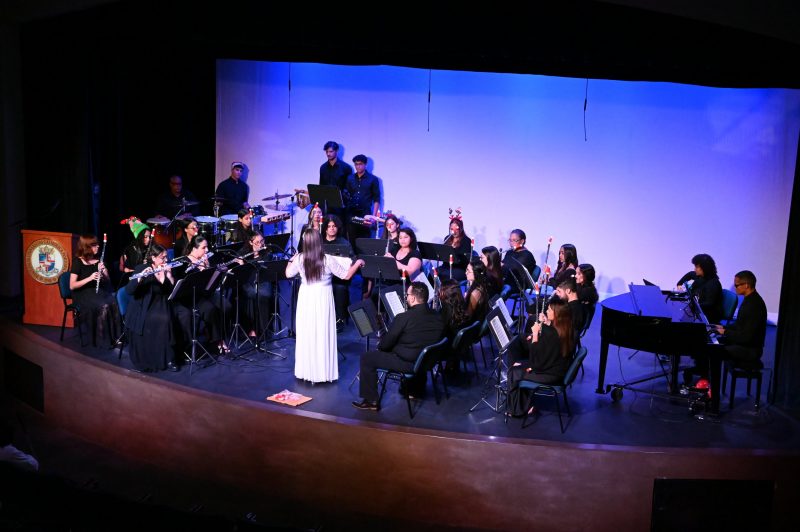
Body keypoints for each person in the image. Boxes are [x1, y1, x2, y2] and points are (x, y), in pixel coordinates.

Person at [286, 230, 364, 383]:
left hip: (306, 297)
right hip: (322, 297)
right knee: (322, 332)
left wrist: (291, 260)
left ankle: (306, 371)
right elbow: (346, 275)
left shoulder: (300, 258)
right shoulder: (327, 259)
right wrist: (358, 263)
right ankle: (322, 372)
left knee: (307, 332)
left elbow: (288, 274)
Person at [353, 281, 445, 410]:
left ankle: (370, 401)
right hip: (428, 361)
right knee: (414, 347)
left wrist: (386, 339)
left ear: (413, 298)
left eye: (407, 295)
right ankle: (415, 390)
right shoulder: (438, 316)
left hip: (410, 363)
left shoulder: (403, 317)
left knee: (367, 358)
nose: (406, 298)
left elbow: (384, 346)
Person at [507, 298, 575, 417]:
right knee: (519, 367)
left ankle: (518, 410)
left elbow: (536, 362)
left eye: (549, 310)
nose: (546, 311)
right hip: (557, 370)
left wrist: (535, 335)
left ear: (557, 314)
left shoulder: (551, 335)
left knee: (513, 371)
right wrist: (547, 322)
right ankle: (525, 403)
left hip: (550, 375)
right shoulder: (566, 329)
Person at [125, 244, 179, 372]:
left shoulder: (165, 268)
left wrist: (168, 276)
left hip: (161, 301)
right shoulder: (141, 268)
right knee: (162, 319)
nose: (165, 260)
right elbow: (129, 290)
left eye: (166, 257)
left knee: (171, 316)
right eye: (162, 257)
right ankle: (157, 358)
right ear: (153, 258)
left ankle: (169, 357)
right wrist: (140, 278)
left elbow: (170, 291)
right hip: (144, 304)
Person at [172, 235, 228, 355]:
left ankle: (214, 336)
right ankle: (217, 341)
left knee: (225, 305)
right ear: (194, 248)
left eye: (207, 247)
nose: (206, 250)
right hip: (190, 297)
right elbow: (182, 285)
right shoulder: (183, 263)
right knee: (210, 309)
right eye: (204, 248)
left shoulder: (205, 260)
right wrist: (202, 271)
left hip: (205, 293)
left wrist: (209, 269)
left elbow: (210, 284)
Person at [69, 234, 121, 347]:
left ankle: (116, 336)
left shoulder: (98, 261)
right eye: (94, 245)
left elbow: (108, 281)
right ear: (86, 247)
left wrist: (105, 272)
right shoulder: (78, 262)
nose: (98, 246)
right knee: (103, 306)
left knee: (113, 302)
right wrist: (90, 278)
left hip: (96, 292)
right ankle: (103, 340)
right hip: (82, 294)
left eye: (97, 244)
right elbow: (72, 286)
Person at [714, 270, 767, 367]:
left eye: (737, 285)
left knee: (715, 350)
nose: (735, 288)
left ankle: (709, 376)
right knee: (713, 344)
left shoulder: (754, 305)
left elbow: (746, 337)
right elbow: (740, 324)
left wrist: (725, 332)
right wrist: (724, 327)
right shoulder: (749, 299)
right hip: (744, 344)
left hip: (750, 350)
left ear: (746, 285)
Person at [236, 231, 275, 339]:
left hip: (262, 280)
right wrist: (241, 264)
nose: (260, 244)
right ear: (250, 242)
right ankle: (251, 328)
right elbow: (240, 272)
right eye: (257, 242)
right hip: (247, 281)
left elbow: (261, 266)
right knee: (251, 293)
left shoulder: (267, 252)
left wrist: (245, 263)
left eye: (262, 241)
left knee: (263, 294)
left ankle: (263, 331)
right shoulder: (243, 252)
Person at [322, 214, 353, 329]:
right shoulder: (320, 242)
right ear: (325, 228)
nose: (332, 228)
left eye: (334, 226)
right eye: (329, 226)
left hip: (339, 278)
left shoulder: (344, 243)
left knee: (339, 288)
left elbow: (352, 260)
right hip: (323, 277)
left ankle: (339, 319)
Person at [343, 154, 380, 244]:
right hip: (352, 213)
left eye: (360, 164)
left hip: (365, 214)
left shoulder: (373, 179)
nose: (358, 166)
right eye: (356, 164)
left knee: (364, 241)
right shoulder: (350, 178)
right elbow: (346, 194)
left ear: (365, 164)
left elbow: (376, 199)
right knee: (351, 240)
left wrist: (373, 217)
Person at [677, 253, 723, 324]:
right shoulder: (700, 276)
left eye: (697, 267)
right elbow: (690, 274)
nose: (695, 269)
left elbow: (709, 304)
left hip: (706, 318)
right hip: (696, 311)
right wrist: (679, 284)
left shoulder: (713, 284)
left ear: (705, 268)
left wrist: (692, 305)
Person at [442, 217, 473, 282]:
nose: (454, 232)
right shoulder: (447, 238)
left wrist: (453, 250)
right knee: (432, 274)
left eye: (456, 229)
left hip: (459, 268)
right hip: (446, 267)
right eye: (452, 229)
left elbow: (465, 260)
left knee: (446, 276)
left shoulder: (466, 241)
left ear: (461, 229)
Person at [465, 259, 491, 323]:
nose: (466, 273)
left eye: (468, 271)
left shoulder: (476, 292)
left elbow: (468, 316)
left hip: (472, 324)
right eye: (466, 270)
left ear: (476, 273)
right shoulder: (481, 284)